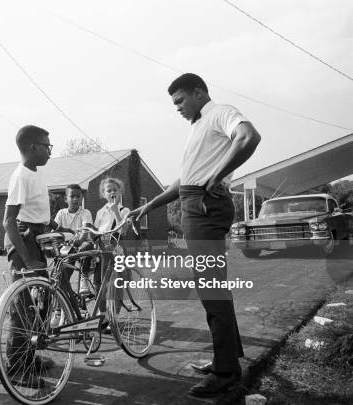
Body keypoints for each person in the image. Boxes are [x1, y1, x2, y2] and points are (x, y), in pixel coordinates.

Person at [127, 73, 261, 397]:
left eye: (180, 101)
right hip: (193, 204)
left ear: (199, 93)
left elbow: (249, 137)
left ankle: (226, 372)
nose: (177, 108)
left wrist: (214, 177)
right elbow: (184, 179)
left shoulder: (220, 113)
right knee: (214, 289)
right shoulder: (198, 128)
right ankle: (225, 358)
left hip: (205, 207)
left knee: (211, 290)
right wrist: (150, 206)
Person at [3, 124, 57, 388]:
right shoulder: (21, 176)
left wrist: (56, 227)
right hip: (22, 244)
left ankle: (28, 357)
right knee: (22, 307)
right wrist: (26, 259)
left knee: (42, 303)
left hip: (36, 238)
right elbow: (8, 222)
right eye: (47, 146)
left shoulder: (35, 173)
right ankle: (15, 368)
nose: (50, 151)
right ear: (33, 147)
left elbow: (36, 212)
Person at [92, 177, 130, 326]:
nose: (112, 192)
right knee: (100, 283)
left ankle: (115, 315)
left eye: (115, 189)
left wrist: (115, 210)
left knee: (117, 283)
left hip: (117, 249)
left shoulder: (124, 210)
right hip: (102, 249)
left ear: (120, 192)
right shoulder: (100, 212)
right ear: (104, 194)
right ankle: (103, 315)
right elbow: (95, 230)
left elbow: (124, 231)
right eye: (109, 190)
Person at [53, 184, 93, 293]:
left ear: (82, 198)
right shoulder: (61, 213)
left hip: (83, 244)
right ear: (66, 199)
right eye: (72, 196)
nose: (75, 199)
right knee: (61, 273)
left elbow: (85, 231)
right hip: (67, 246)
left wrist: (79, 241)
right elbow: (55, 230)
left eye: (78, 196)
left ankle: (84, 277)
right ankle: (62, 301)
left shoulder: (85, 213)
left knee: (85, 247)